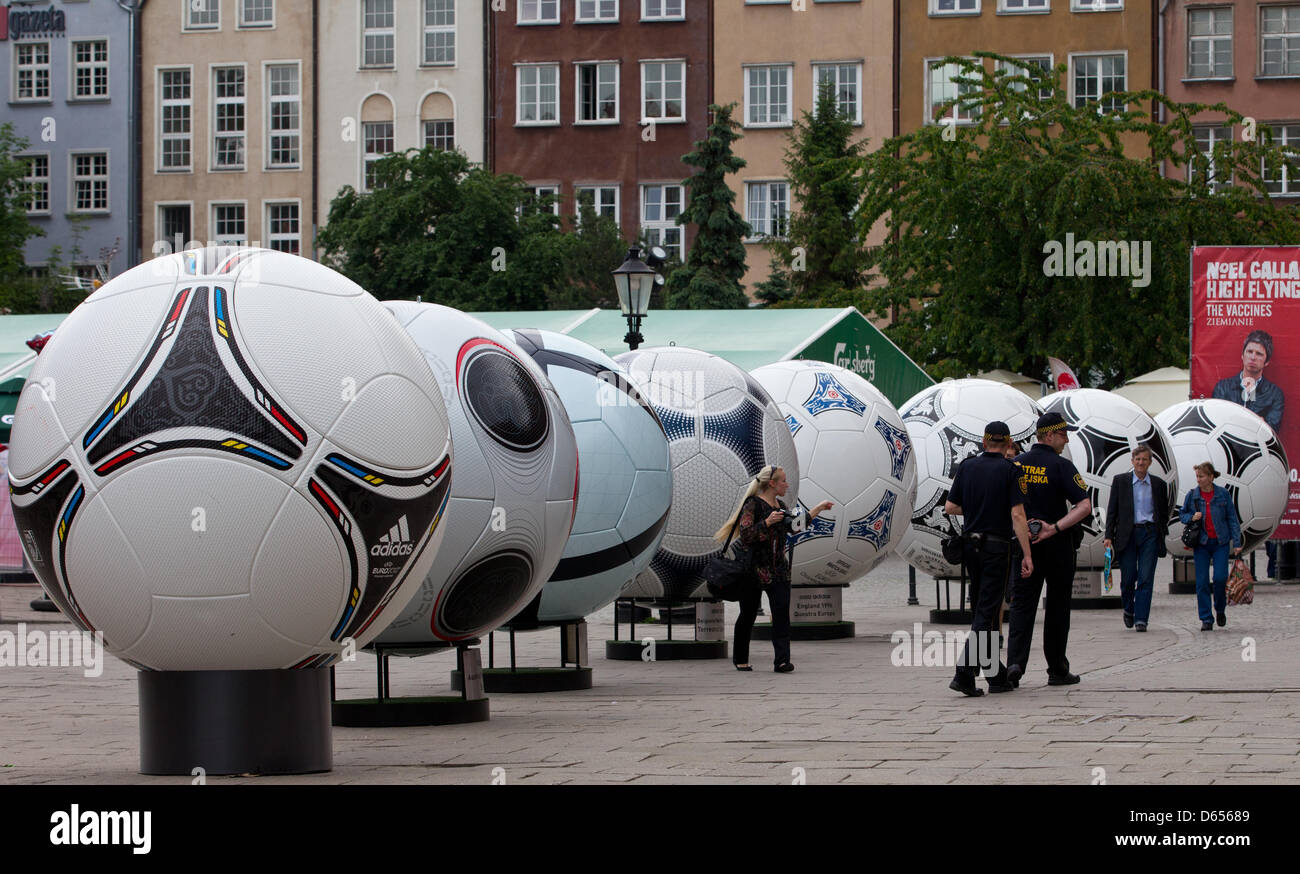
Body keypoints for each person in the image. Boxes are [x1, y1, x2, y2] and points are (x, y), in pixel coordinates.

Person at [943, 420, 1034, 696]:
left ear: (984, 442)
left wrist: (978, 506)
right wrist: (1027, 553)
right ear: (1008, 445)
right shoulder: (1010, 470)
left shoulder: (968, 467)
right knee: (988, 610)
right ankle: (964, 673)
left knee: (984, 608)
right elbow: (1018, 515)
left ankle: (995, 674)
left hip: (971, 546)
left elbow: (950, 506)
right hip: (996, 547)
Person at [1006, 412, 1092, 688]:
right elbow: (1084, 507)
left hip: (1024, 544)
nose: (1066, 441)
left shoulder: (1016, 464)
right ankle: (1056, 668)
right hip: (1057, 546)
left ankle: (1015, 664)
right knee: (1057, 607)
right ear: (1050, 435)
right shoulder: (1061, 466)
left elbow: (1005, 506)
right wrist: (1054, 527)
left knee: (1022, 605)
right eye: (1063, 435)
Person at [718, 466, 832, 673]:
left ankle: (782, 661)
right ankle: (740, 659)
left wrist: (819, 508)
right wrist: (767, 523)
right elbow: (746, 535)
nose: (786, 485)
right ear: (772, 483)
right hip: (753, 570)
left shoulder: (781, 505)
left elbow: (796, 526)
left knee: (781, 614)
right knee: (748, 614)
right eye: (783, 481)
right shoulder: (752, 505)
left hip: (778, 569)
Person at [1103, 444, 1170, 632]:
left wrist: (1160, 533)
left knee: (1146, 577)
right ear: (1132, 461)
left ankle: (1142, 619)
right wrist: (1109, 535)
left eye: (1144, 460)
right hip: (1127, 534)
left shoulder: (1158, 485)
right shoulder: (1120, 481)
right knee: (1128, 578)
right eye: (1138, 459)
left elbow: (1162, 513)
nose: (1141, 463)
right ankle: (1129, 610)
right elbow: (1112, 511)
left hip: (1149, 533)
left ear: (1150, 462)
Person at [1179, 461, 1242, 631]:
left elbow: (1232, 518)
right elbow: (1182, 514)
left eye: (1202, 476)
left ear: (1211, 477)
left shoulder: (1223, 495)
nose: (1198, 479)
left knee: (1220, 578)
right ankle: (1206, 618)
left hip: (1220, 542)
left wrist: (1237, 542)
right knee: (1202, 582)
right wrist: (1192, 517)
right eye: (1197, 476)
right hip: (1201, 543)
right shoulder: (1193, 495)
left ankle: (1220, 609)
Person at [1212, 329, 1283, 432]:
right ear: (1242, 355)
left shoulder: (1274, 394)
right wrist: (1257, 422)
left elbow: (1270, 431)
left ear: (1266, 361)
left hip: (1256, 447)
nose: (1253, 357)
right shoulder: (1222, 388)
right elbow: (1216, 421)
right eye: (1249, 351)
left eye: (1259, 354)